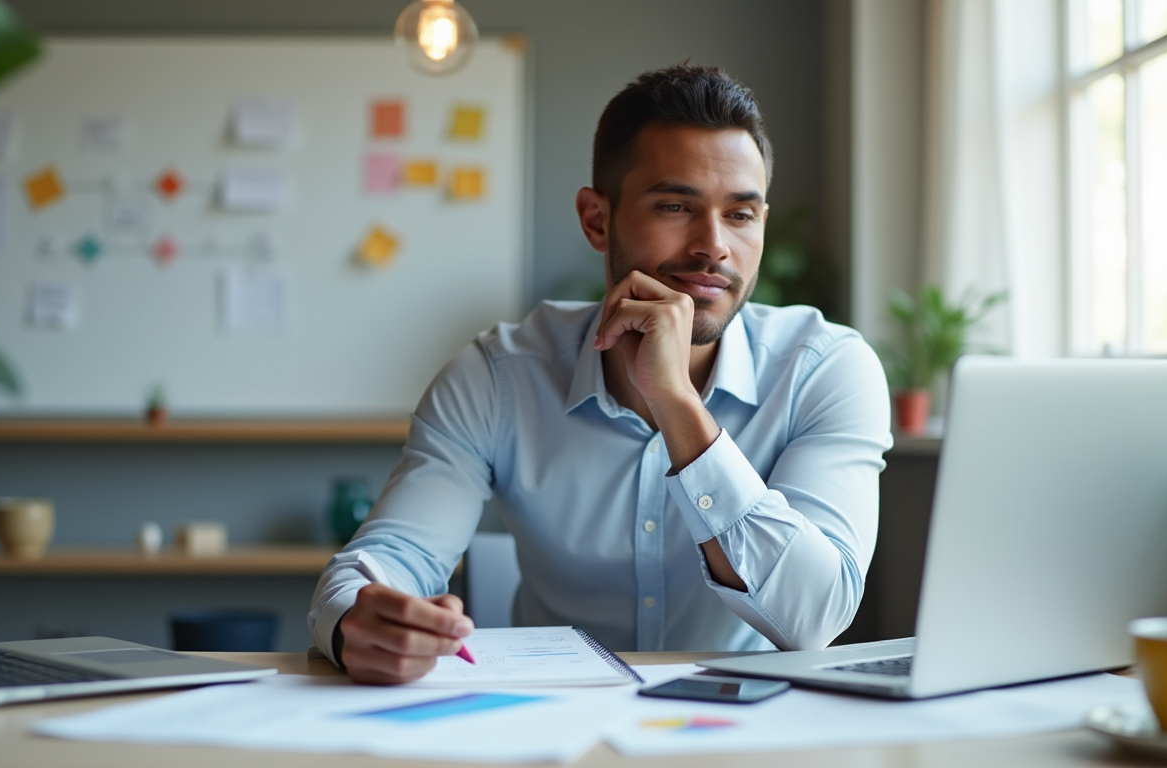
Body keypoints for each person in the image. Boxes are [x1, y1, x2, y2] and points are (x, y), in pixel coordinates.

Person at [309, 64, 892, 685]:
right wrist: (361, 622)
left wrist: (675, 402)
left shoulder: (826, 369)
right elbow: (387, 560)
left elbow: (816, 616)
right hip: (546, 723)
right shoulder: (498, 376)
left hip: (743, 727)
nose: (714, 246)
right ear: (596, 219)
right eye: (675, 205)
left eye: (741, 215)